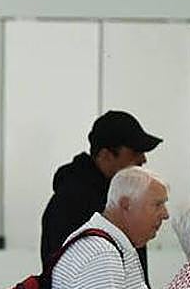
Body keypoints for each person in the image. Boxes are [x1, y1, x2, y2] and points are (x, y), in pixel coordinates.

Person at [41, 111, 162, 272]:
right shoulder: (69, 204)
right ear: (105, 156)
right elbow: (64, 276)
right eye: (135, 153)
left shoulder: (125, 199)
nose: (143, 160)